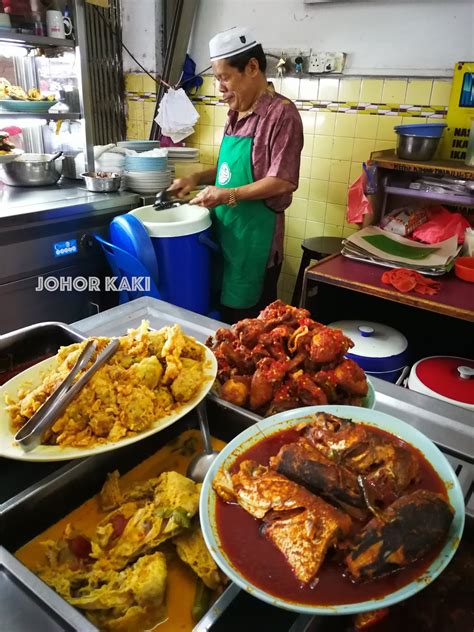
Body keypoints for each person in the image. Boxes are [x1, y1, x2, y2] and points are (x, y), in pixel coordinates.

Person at [168, 26, 304, 323]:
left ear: (252, 67)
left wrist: (227, 195)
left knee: (249, 333)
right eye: (217, 78)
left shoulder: (282, 115)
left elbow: (283, 179)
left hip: (254, 245)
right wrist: (196, 179)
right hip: (223, 239)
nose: (220, 87)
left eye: (224, 77)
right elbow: (229, 171)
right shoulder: (235, 113)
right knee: (217, 322)